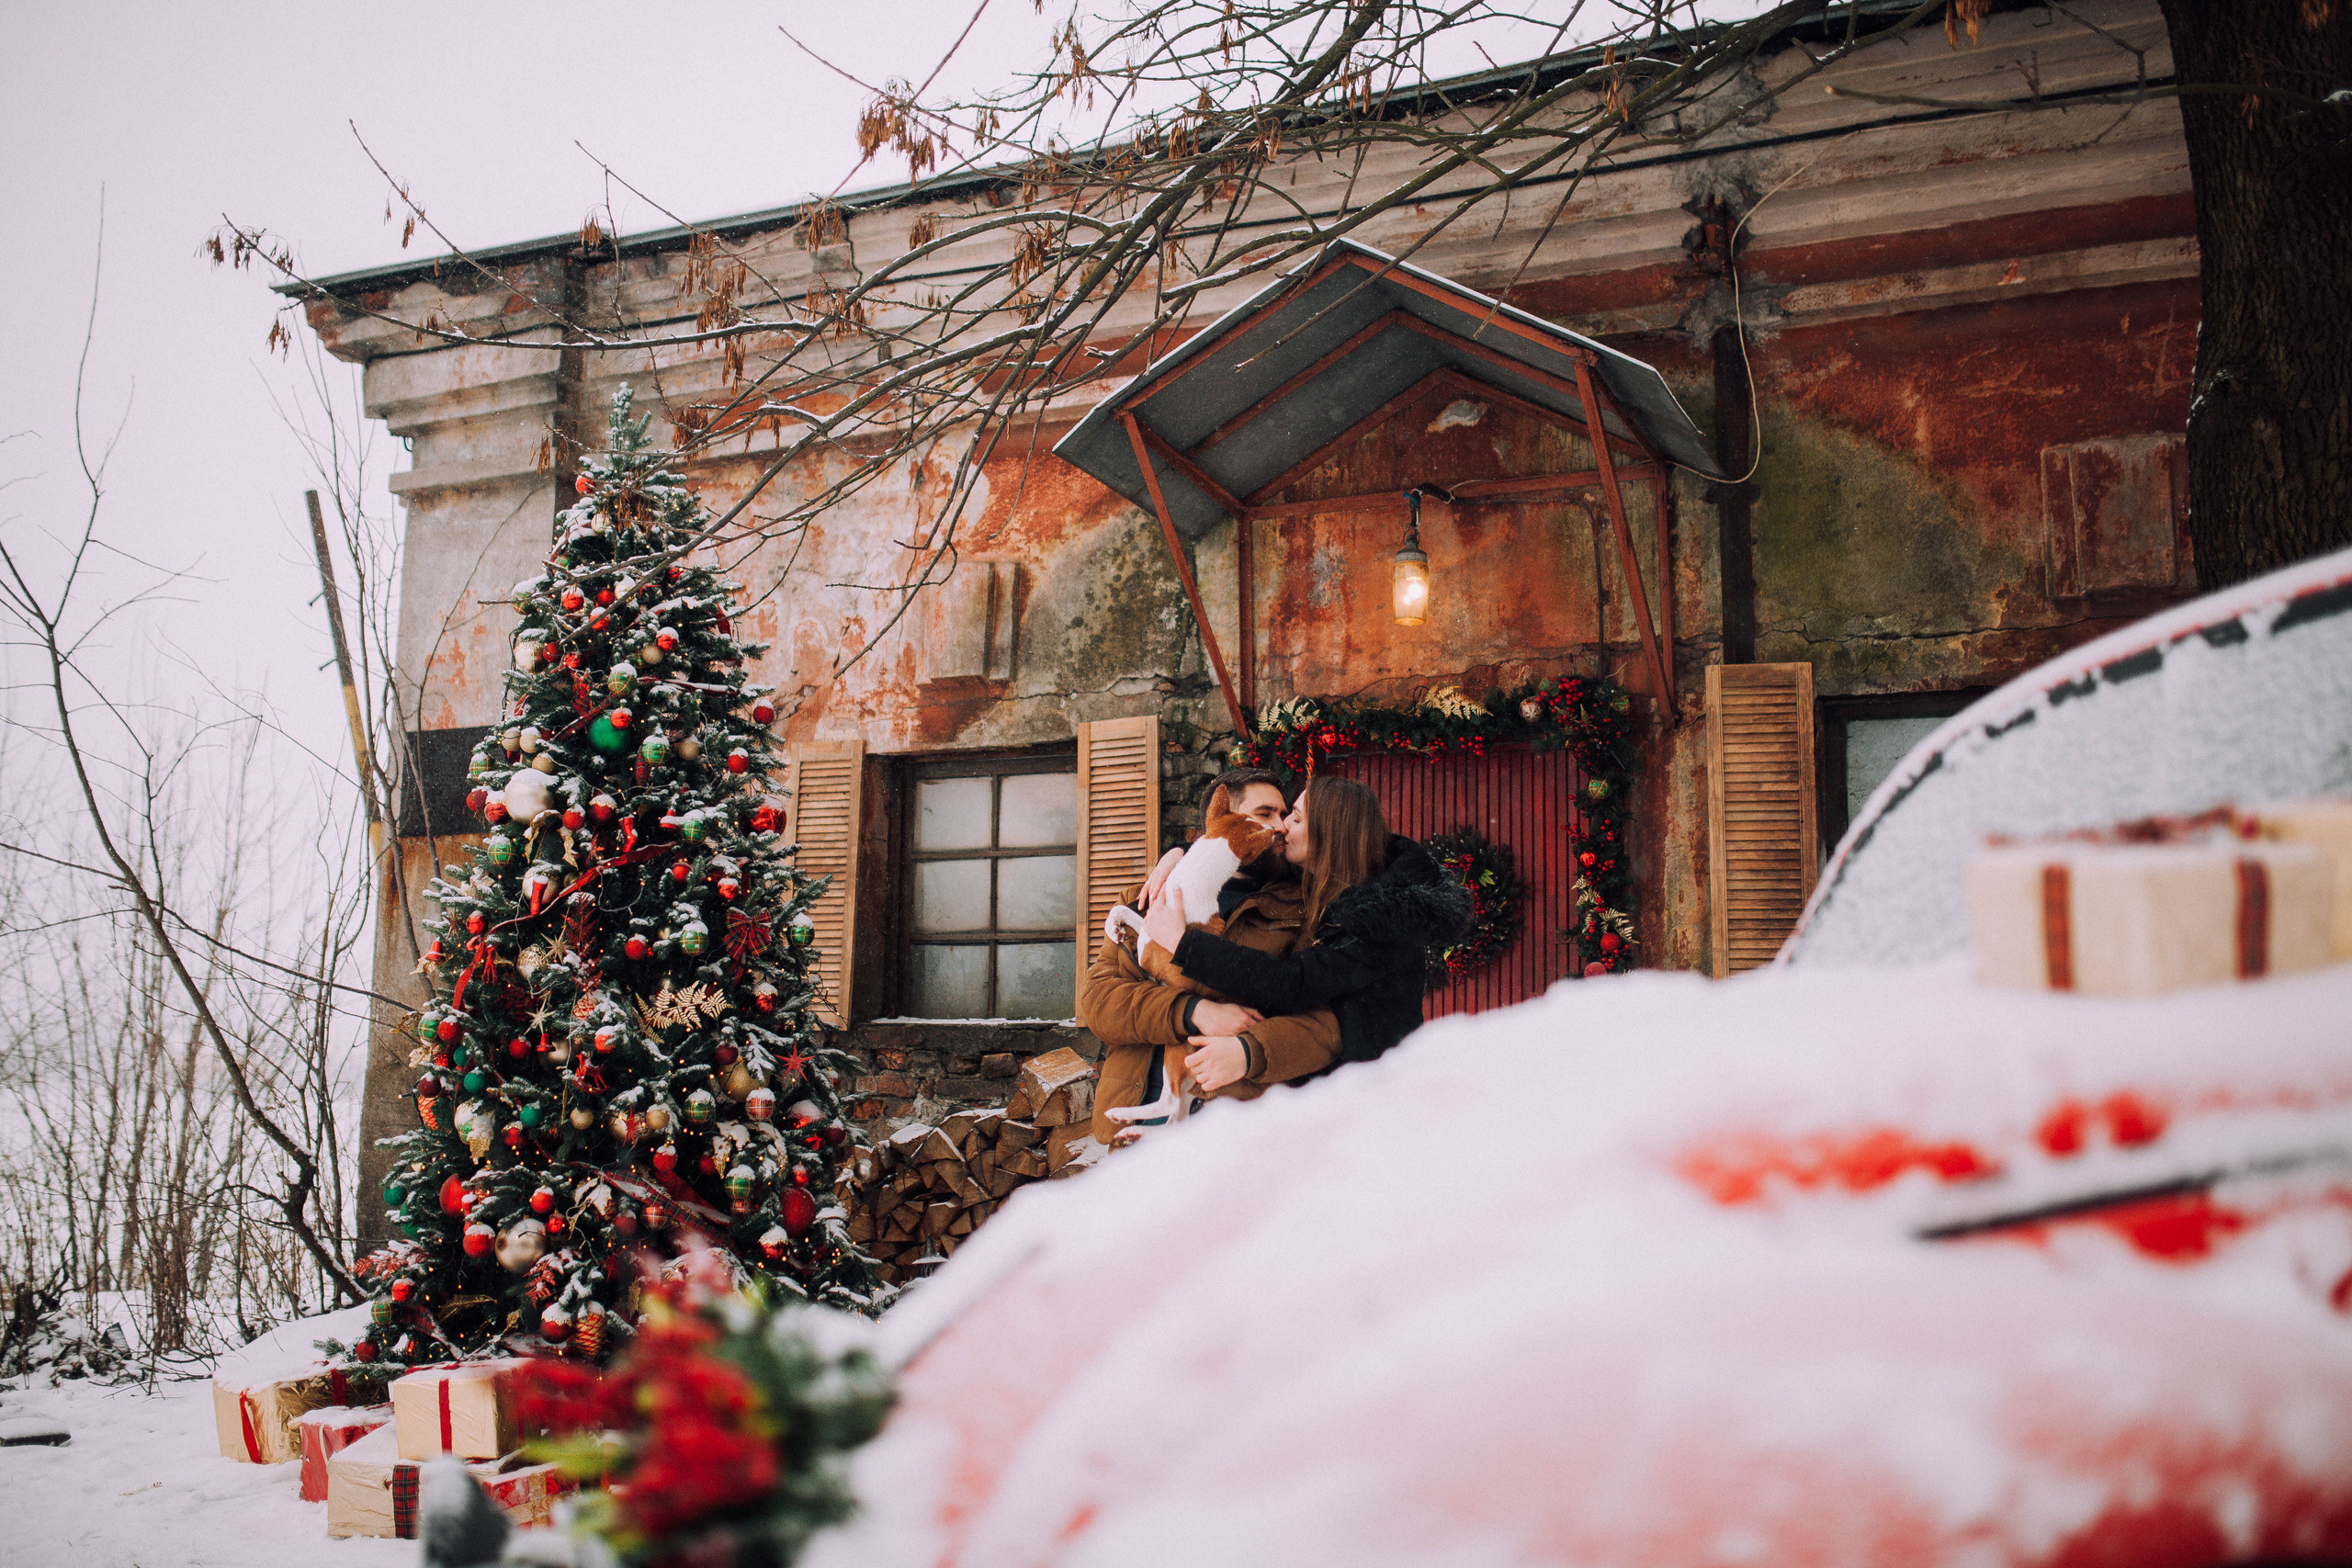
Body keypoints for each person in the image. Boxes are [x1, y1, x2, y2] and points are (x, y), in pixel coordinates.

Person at [1078, 768, 1342, 1145]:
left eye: (1284, 815)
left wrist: (1249, 1052)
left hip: (1232, 1125)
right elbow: (1100, 1004)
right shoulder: (1147, 898)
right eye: (1265, 814)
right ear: (1221, 819)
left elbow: (1324, 1027)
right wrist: (1193, 1011)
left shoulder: (1305, 910)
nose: (1281, 826)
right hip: (1133, 1124)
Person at [1138, 775, 1470, 1069]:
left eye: (1294, 818)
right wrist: (1182, 852)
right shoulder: (1329, 879)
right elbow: (1236, 843)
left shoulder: (1381, 919)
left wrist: (1185, 944)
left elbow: (1291, 983)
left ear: (1330, 833)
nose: (1282, 827)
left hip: (1367, 1081)